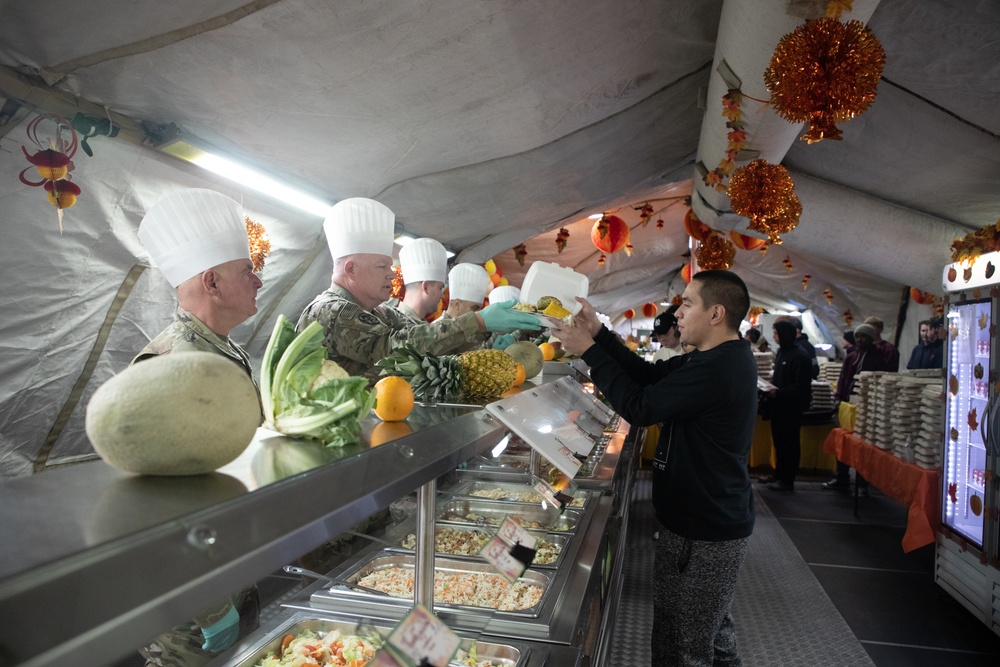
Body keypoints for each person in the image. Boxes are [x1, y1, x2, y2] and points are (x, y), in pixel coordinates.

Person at [549, 269, 756, 666]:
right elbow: (647, 376)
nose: (677, 313)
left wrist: (589, 352)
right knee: (709, 636)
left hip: (705, 527)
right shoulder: (713, 358)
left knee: (684, 646)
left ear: (716, 314)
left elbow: (641, 408)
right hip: (702, 520)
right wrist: (601, 335)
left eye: (688, 303)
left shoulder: (718, 368)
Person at [134, 188, 262, 666]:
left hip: (229, 569)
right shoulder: (173, 365)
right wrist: (209, 610)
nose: (259, 280)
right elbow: (157, 505)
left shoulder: (223, 349)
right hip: (189, 602)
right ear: (211, 282)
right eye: (247, 270)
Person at [298, 198, 539, 383]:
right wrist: (477, 321)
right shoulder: (331, 311)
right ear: (351, 269)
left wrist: (485, 332)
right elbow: (392, 349)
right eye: (383, 266)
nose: (392, 274)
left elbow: (426, 339)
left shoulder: (380, 312)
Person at [822, 323, 894, 490]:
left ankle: (862, 483)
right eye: (858, 337)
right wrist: (838, 398)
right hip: (847, 405)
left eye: (863, 337)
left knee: (863, 445)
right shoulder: (851, 357)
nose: (860, 340)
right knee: (843, 441)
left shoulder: (879, 359)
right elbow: (843, 379)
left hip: (868, 407)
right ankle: (842, 478)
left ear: (871, 338)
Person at [760, 319, 812, 492]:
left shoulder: (800, 356)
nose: (774, 336)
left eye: (775, 333)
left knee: (789, 444)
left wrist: (779, 392)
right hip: (779, 407)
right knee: (780, 443)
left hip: (791, 408)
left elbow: (801, 386)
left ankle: (787, 480)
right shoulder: (783, 352)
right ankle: (778, 474)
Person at [387, 238, 448, 324]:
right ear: (425, 287)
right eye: (440, 288)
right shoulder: (393, 325)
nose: (443, 296)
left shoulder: (422, 325)